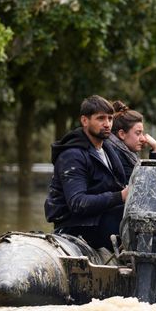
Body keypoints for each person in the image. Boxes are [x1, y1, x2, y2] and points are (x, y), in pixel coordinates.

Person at [44, 95, 128, 251]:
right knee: (131, 219)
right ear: (84, 121)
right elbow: (78, 203)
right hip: (76, 226)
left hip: (99, 218)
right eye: (100, 118)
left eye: (110, 118)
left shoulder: (106, 149)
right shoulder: (72, 155)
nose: (107, 124)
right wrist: (120, 196)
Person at [108, 101, 156, 180]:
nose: (143, 139)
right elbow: (149, 183)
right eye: (138, 133)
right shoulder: (117, 157)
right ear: (122, 134)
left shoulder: (125, 153)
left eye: (142, 133)